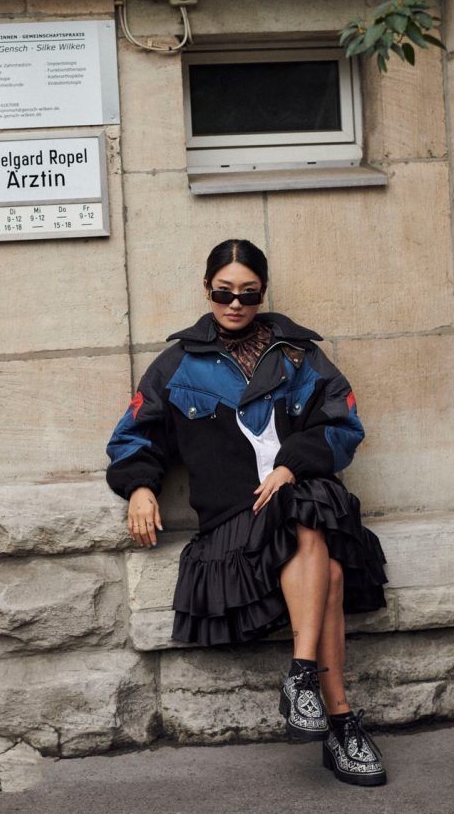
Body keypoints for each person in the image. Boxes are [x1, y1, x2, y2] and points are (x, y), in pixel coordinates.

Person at [106, 239, 388, 787]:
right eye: (223, 293)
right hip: (235, 524)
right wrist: (141, 488)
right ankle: (337, 718)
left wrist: (290, 464)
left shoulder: (300, 355)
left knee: (308, 517)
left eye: (248, 294)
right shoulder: (176, 366)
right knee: (323, 566)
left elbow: (343, 428)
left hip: (297, 501)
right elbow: (131, 438)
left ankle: (307, 684)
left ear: (263, 292)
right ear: (206, 290)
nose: (235, 305)